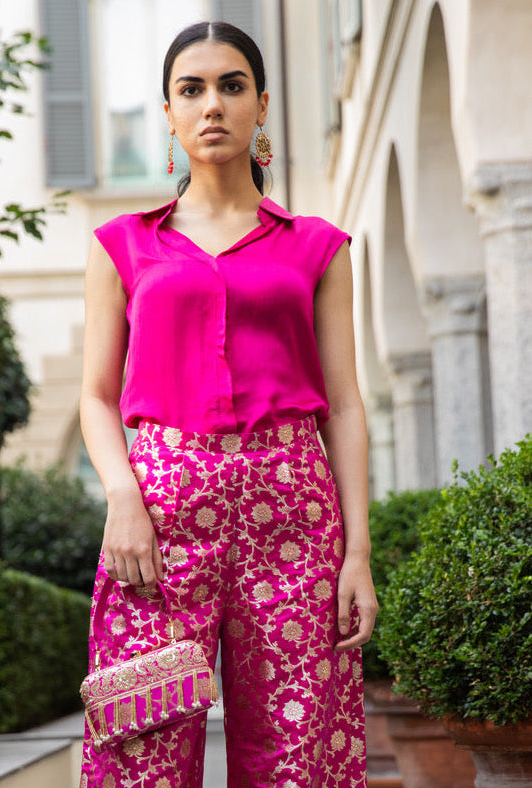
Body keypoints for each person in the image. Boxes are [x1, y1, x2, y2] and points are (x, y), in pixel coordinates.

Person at [78, 20, 378, 788]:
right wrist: (122, 496)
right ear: (169, 114)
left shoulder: (317, 246)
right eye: (192, 88)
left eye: (231, 85)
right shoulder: (123, 245)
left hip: (294, 522)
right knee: (141, 743)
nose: (212, 104)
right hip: (158, 528)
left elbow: (342, 405)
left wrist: (357, 554)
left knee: (294, 747)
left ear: (262, 105)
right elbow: (96, 395)